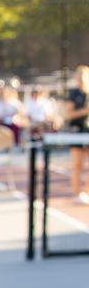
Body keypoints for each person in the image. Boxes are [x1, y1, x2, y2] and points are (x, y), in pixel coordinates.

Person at [65, 64, 89, 204]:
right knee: (77, 164)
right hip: (76, 131)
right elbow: (68, 114)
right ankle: (77, 193)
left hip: (88, 131)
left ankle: (87, 192)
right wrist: (84, 111)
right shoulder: (74, 93)